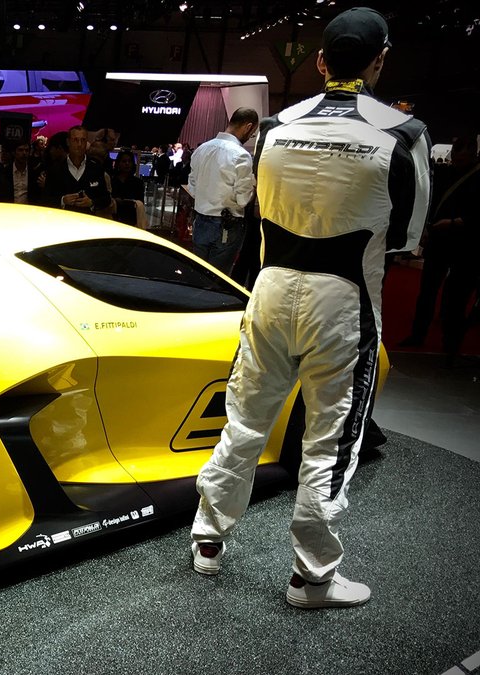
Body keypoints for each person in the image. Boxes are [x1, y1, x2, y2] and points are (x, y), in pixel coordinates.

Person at [189, 7, 431, 609]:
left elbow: (258, 205)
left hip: (271, 290)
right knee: (330, 439)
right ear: (380, 61)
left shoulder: (274, 126)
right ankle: (311, 577)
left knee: (244, 420)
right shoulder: (404, 133)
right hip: (342, 300)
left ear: (320, 61)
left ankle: (208, 540)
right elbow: (406, 237)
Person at [399, 133, 479, 363]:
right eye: (455, 157)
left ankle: (451, 345)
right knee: (427, 292)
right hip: (438, 241)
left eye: (462, 159)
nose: (457, 162)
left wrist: (454, 223)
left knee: (456, 298)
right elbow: (431, 201)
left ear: (473, 155)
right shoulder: (445, 173)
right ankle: (418, 334)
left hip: (466, 245)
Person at [185, 107, 259, 273]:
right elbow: (243, 200)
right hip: (227, 225)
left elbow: (192, 188)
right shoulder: (241, 155)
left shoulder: (201, 149)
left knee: (198, 274)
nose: (250, 137)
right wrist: (253, 187)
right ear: (248, 127)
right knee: (218, 278)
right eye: (252, 133)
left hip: (200, 221)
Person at [43, 125, 113, 217]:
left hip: (88, 220)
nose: (79, 144)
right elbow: (45, 199)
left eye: (83, 140)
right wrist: (62, 200)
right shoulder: (55, 170)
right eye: (75, 140)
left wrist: (92, 202)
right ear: (68, 142)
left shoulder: (96, 169)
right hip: (62, 220)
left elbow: (106, 198)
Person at [110, 150, 147, 227]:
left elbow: (140, 202)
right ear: (118, 163)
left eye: (129, 161)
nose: (127, 164)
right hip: (113, 219)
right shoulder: (111, 181)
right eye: (124, 161)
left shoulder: (138, 182)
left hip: (131, 220)